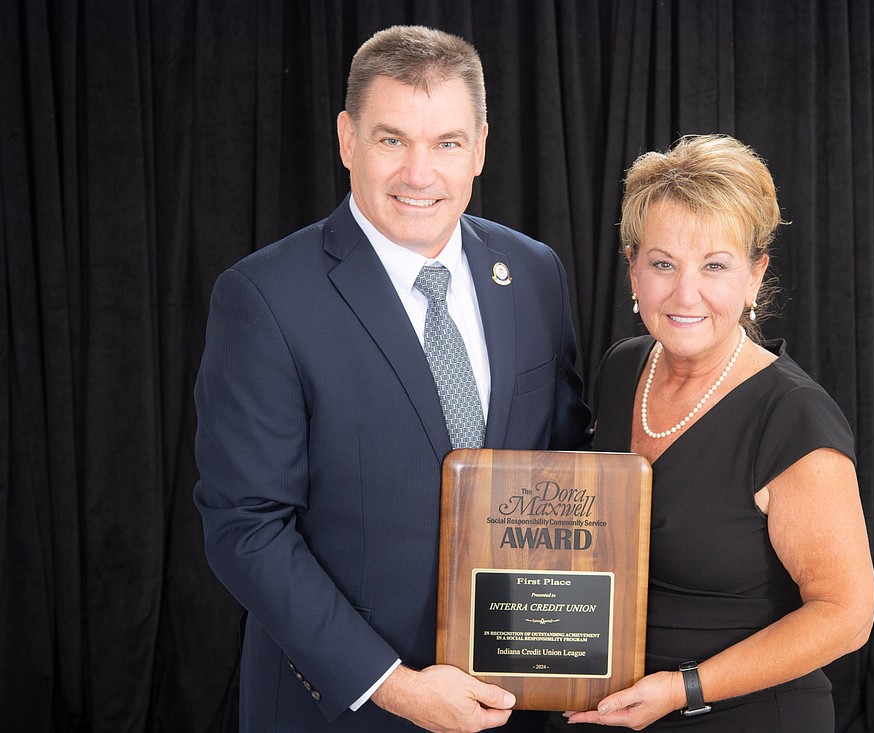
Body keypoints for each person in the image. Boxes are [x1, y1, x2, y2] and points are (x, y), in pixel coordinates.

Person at [193, 25, 589, 732]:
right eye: (391, 139)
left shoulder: (533, 273)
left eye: (446, 143)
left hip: (514, 703)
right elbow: (246, 528)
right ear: (347, 140)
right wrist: (394, 685)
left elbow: (563, 474)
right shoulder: (265, 297)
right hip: (344, 709)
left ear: (481, 148)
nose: (419, 172)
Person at [558, 135, 874, 731]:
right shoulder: (622, 368)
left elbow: (847, 614)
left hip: (741, 713)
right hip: (612, 709)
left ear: (755, 275)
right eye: (662, 263)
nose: (685, 294)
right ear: (632, 269)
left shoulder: (793, 415)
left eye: (715, 266)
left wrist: (685, 689)